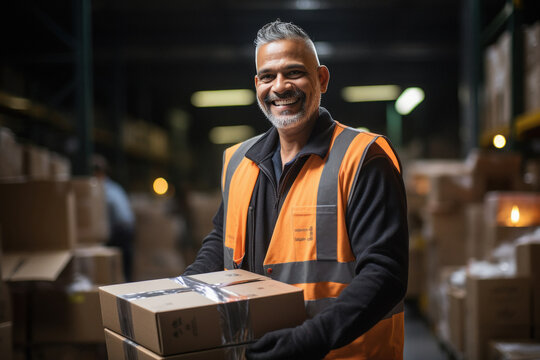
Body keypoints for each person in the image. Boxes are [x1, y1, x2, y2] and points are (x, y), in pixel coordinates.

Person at [183, 19, 408, 359]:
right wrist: (182, 293)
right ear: (257, 84)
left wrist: (310, 339)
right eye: (268, 76)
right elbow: (221, 241)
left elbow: (385, 274)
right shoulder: (237, 160)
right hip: (256, 349)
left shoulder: (363, 157)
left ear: (322, 79)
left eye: (294, 73)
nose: (280, 86)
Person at [92, 154, 136, 281]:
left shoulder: (101, 189)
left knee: (114, 265)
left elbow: (103, 216)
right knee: (125, 265)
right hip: (129, 228)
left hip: (119, 230)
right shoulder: (115, 186)